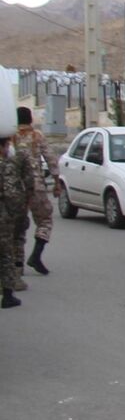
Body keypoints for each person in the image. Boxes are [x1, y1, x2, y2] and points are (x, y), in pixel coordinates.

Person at [16, 107, 58, 275]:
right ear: (30, 119)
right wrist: (57, 182)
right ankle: (36, 254)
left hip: (16, 187)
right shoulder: (37, 136)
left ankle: (17, 265)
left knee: (17, 225)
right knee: (45, 220)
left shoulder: (9, 137)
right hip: (36, 186)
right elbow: (51, 158)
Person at [1, 131, 35, 308]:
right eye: (5, 146)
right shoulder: (7, 164)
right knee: (5, 253)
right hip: (4, 217)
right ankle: (7, 295)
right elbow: (12, 194)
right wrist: (19, 214)